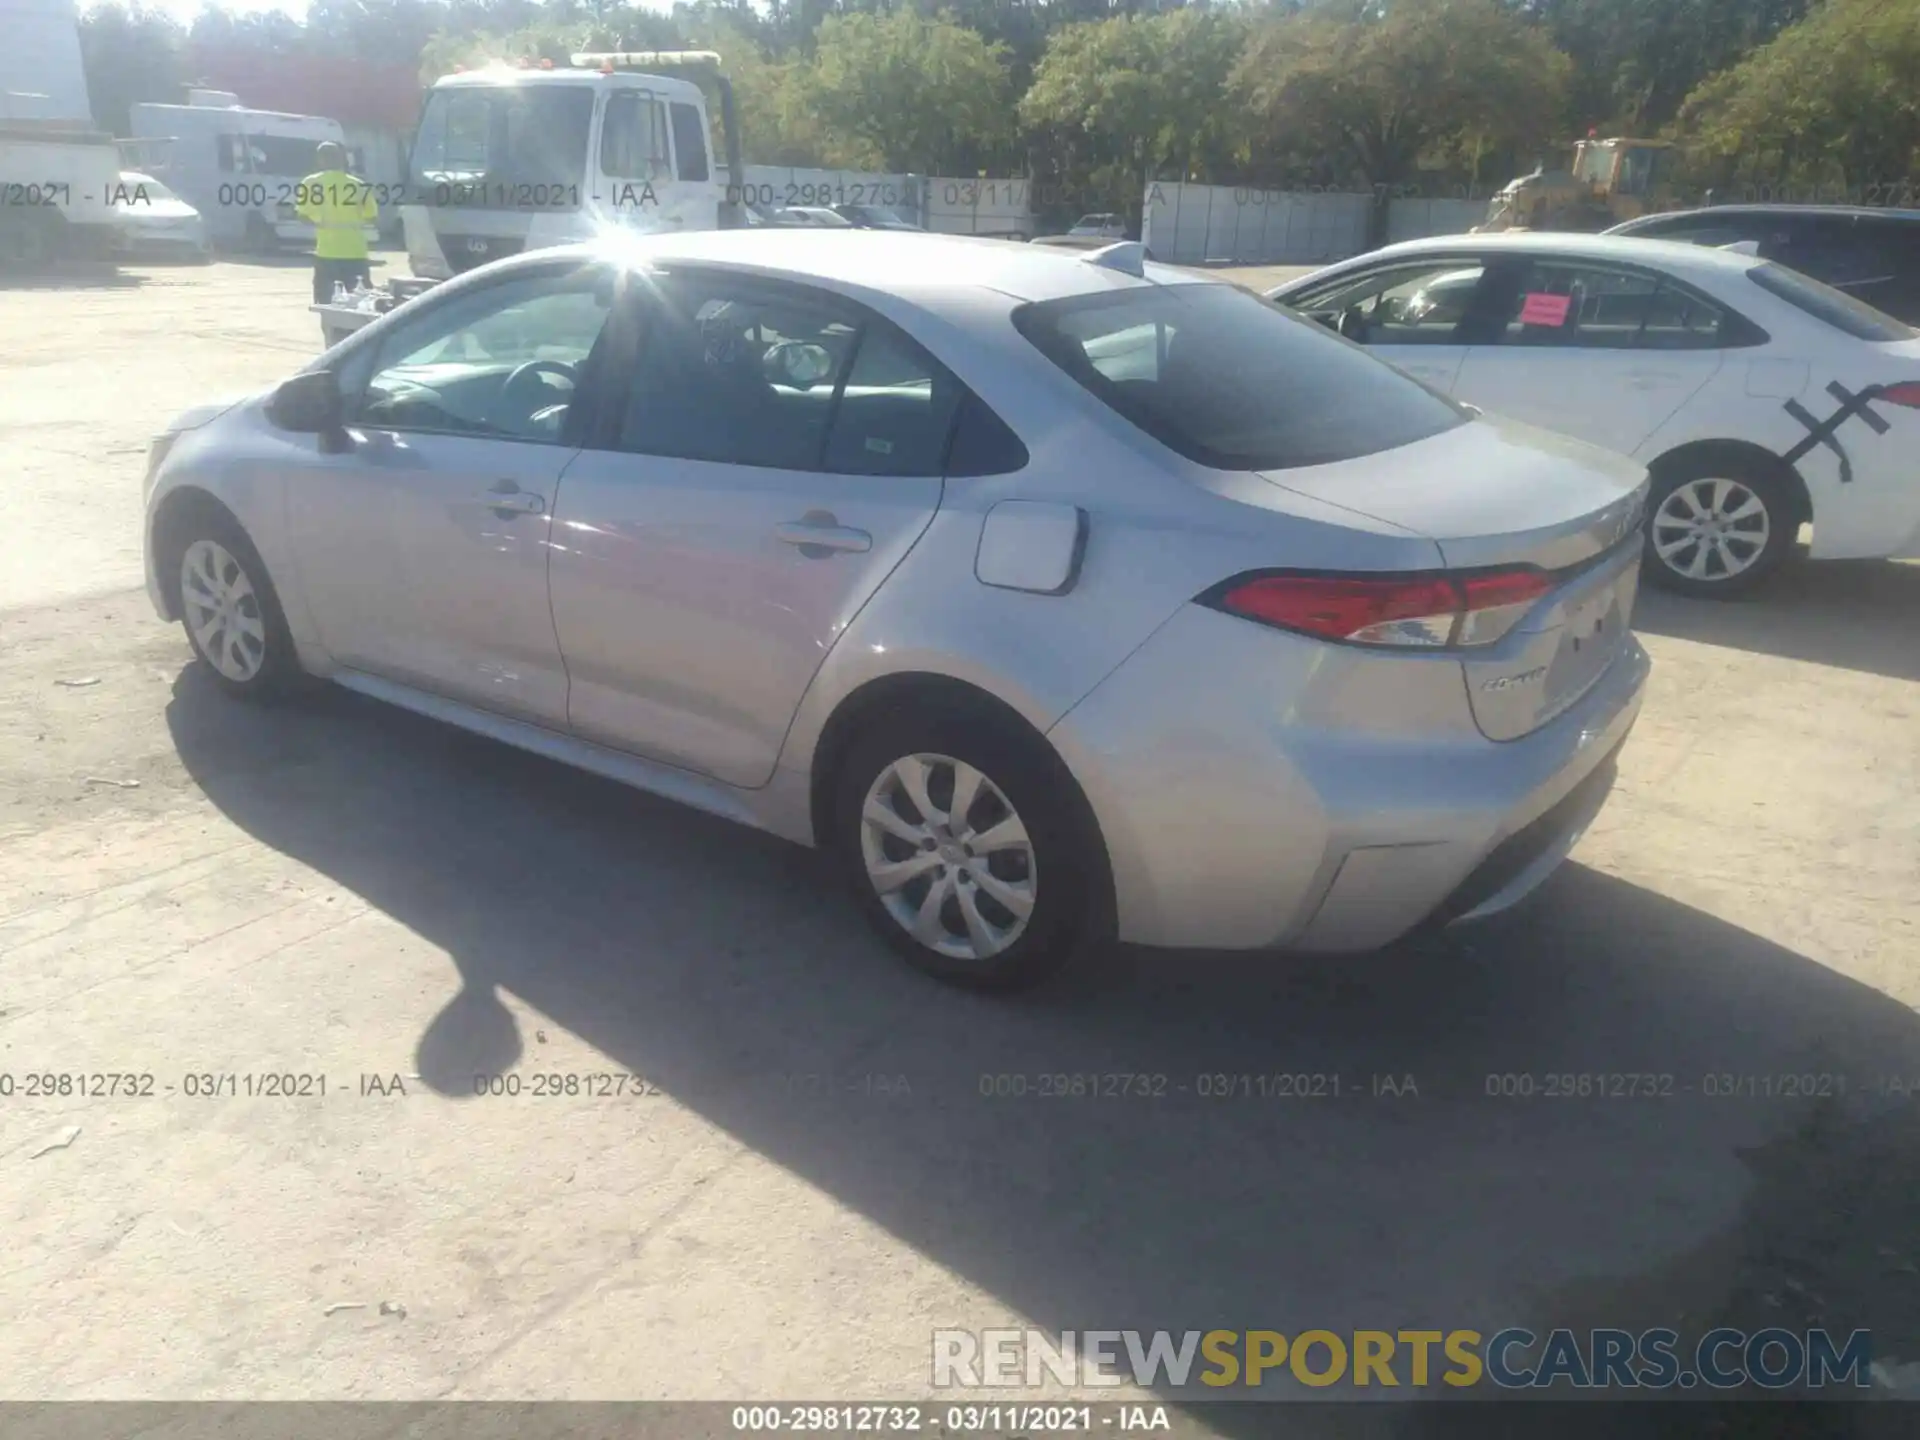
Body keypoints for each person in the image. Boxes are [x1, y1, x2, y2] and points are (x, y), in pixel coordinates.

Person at [297, 141, 378, 311]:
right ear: (342, 160)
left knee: (327, 303)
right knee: (362, 305)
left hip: (327, 253)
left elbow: (302, 216)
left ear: (320, 160)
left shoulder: (310, 183)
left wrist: (320, 220)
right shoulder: (359, 185)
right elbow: (371, 217)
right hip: (356, 253)